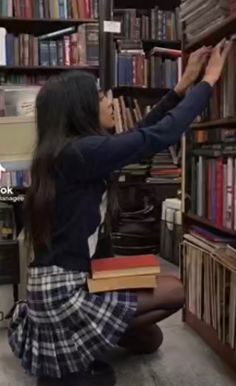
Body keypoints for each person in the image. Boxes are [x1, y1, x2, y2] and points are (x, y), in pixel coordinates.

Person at [7, 39, 231, 386]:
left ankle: (84, 343)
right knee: (174, 290)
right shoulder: (82, 152)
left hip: (67, 282)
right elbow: (160, 135)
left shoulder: (69, 152)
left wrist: (181, 86)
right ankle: (74, 350)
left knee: (151, 341)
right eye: (99, 98)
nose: (110, 102)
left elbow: (141, 134)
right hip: (65, 292)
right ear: (80, 110)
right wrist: (208, 82)